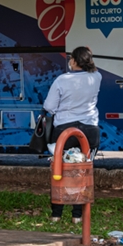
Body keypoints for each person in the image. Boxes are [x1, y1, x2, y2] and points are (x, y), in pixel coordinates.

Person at [43, 46, 102, 223]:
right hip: (90, 130)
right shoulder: (96, 77)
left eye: (71, 59)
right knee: (82, 171)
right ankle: (77, 215)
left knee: (59, 169)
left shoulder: (62, 80)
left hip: (64, 131)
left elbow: (49, 107)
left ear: (74, 61)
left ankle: (57, 214)